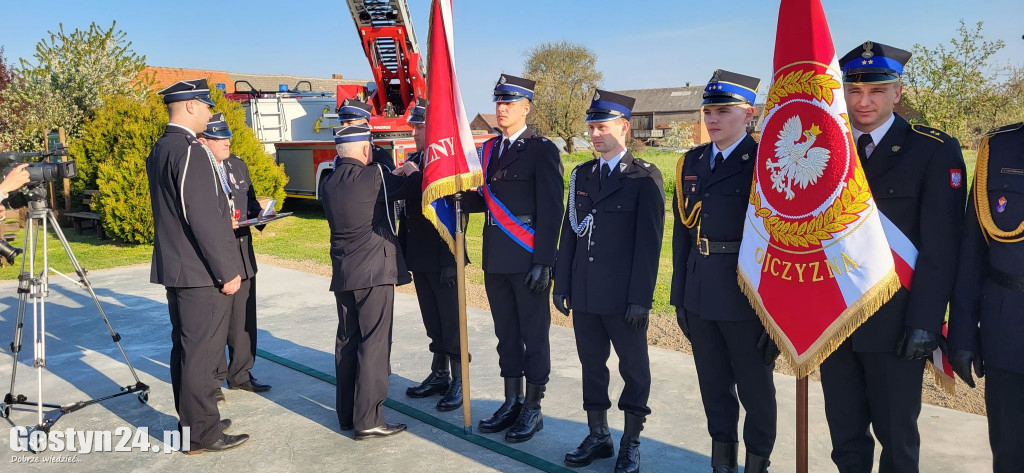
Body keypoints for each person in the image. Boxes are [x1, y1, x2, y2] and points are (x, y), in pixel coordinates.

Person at [819, 41, 967, 473]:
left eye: (877, 90)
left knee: (897, 441)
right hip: (834, 320)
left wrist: (924, 322)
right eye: (854, 90)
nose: (864, 101)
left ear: (898, 93)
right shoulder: (828, 148)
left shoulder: (933, 149)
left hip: (896, 324)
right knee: (845, 440)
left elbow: (942, 249)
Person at [670, 70, 777, 473]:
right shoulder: (692, 161)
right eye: (709, 110)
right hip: (700, 294)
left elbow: (782, 240)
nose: (713, 119)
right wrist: (679, 296)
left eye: (724, 111)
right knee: (713, 386)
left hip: (747, 297)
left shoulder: (766, 161)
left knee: (755, 390)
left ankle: (757, 464)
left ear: (749, 114)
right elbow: (682, 235)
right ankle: (722, 462)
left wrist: (775, 314)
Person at [553, 90, 664, 473]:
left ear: (623, 128)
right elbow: (569, 234)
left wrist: (641, 299)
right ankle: (599, 435)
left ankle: (631, 441)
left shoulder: (643, 177)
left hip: (623, 298)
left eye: (602, 126)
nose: (595, 134)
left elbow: (649, 246)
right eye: (591, 127)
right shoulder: (581, 175)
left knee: (634, 369)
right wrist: (562, 283)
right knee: (591, 366)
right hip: (585, 293)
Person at [147, 78, 248, 454]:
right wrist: (227, 269)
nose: (209, 111)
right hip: (200, 271)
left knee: (188, 350)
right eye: (206, 105)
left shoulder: (162, 147)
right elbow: (201, 216)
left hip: (182, 268)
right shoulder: (189, 150)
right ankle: (200, 435)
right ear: (190, 106)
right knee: (201, 353)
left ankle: (196, 422)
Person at [460, 73, 563, 442]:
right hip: (496, 259)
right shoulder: (488, 150)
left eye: (509, 102)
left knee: (533, 335)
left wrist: (544, 261)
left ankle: (533, 407)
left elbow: (552, 210)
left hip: (527, 258)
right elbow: (486, 200)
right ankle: (511, 400)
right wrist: (457, 198)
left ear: (526, 107)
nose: (501, 108)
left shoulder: (541, 149)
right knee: (506, 334)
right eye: (498, 101)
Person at [320, 122, 421, 439]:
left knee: (347, 344)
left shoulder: (329, 182)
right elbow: (409, 188)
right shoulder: (375, 175)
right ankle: (369, 419)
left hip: (344, 273)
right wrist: (412, 169)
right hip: (374, 273)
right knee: (374, 344)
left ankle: (348, 415)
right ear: (366, 149)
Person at [948, 121, 1024, 473]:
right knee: (1009, 453)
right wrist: (963, 332)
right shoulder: (1000, 149)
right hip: (1009, 328)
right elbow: (972, 250)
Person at [195, 113, 271, 402]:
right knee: (215, 325)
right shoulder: (200, 170)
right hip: (214, 257)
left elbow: (249, 204)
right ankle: (211, 384)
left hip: (241, 254)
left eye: (227, 136)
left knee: (242, 321)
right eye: (219, 137)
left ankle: (240, 374)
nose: (227, 141)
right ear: (204, 141)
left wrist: (262, 216)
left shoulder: (237, 165)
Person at [398, 98, 466, 411]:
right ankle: (438, 374)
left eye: (421, 125)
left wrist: (453, 258)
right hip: (421, 255)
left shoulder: (447, 163)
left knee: (452, 323)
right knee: (433, 321)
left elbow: (457, 213)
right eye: (414, 125)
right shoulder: (415, 158)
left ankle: (459, 381)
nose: (414, 131)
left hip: (443, 256)